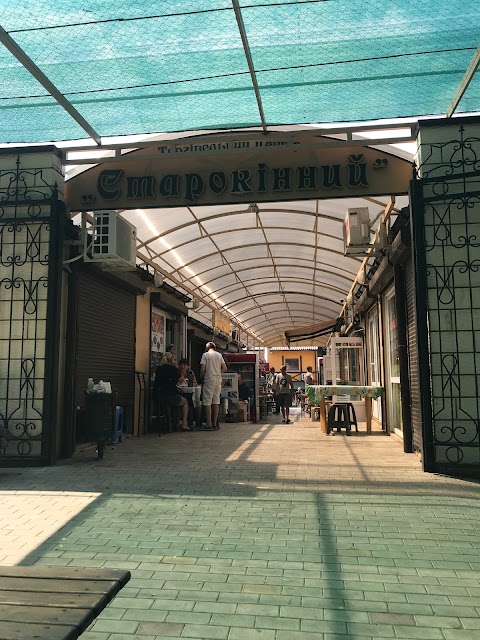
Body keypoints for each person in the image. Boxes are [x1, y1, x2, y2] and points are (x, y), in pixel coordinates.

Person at [154, 352, 189, 431]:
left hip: (158, 396)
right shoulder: (173, 369)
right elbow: (182, 381)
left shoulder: (159, 368)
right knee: (185, 401)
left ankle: (175, 423)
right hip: (170, 396)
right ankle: (184, 424)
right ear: (171, 360)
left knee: (177, 401)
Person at [200, 342, 227, 430]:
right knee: (216, 401)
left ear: (207, 348)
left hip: (209, 379)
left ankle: (209, 424)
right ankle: (215, 423)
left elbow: (202, 369)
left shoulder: (205, 355)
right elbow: (225, 368)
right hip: (218, 380)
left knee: (207, 401)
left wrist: (202, 375)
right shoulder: (219, 355)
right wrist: (219, 373)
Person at [178, 358, 198, 430]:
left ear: (187, 366)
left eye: (184, 365)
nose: (183, 367)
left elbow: (195, 383)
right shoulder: (177, 372)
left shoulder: (190, 373)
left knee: (190, 402)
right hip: (179, 392)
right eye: (181, 365)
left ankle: (190, 422)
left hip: (188, 391)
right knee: (188, 402)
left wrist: (191, 383)